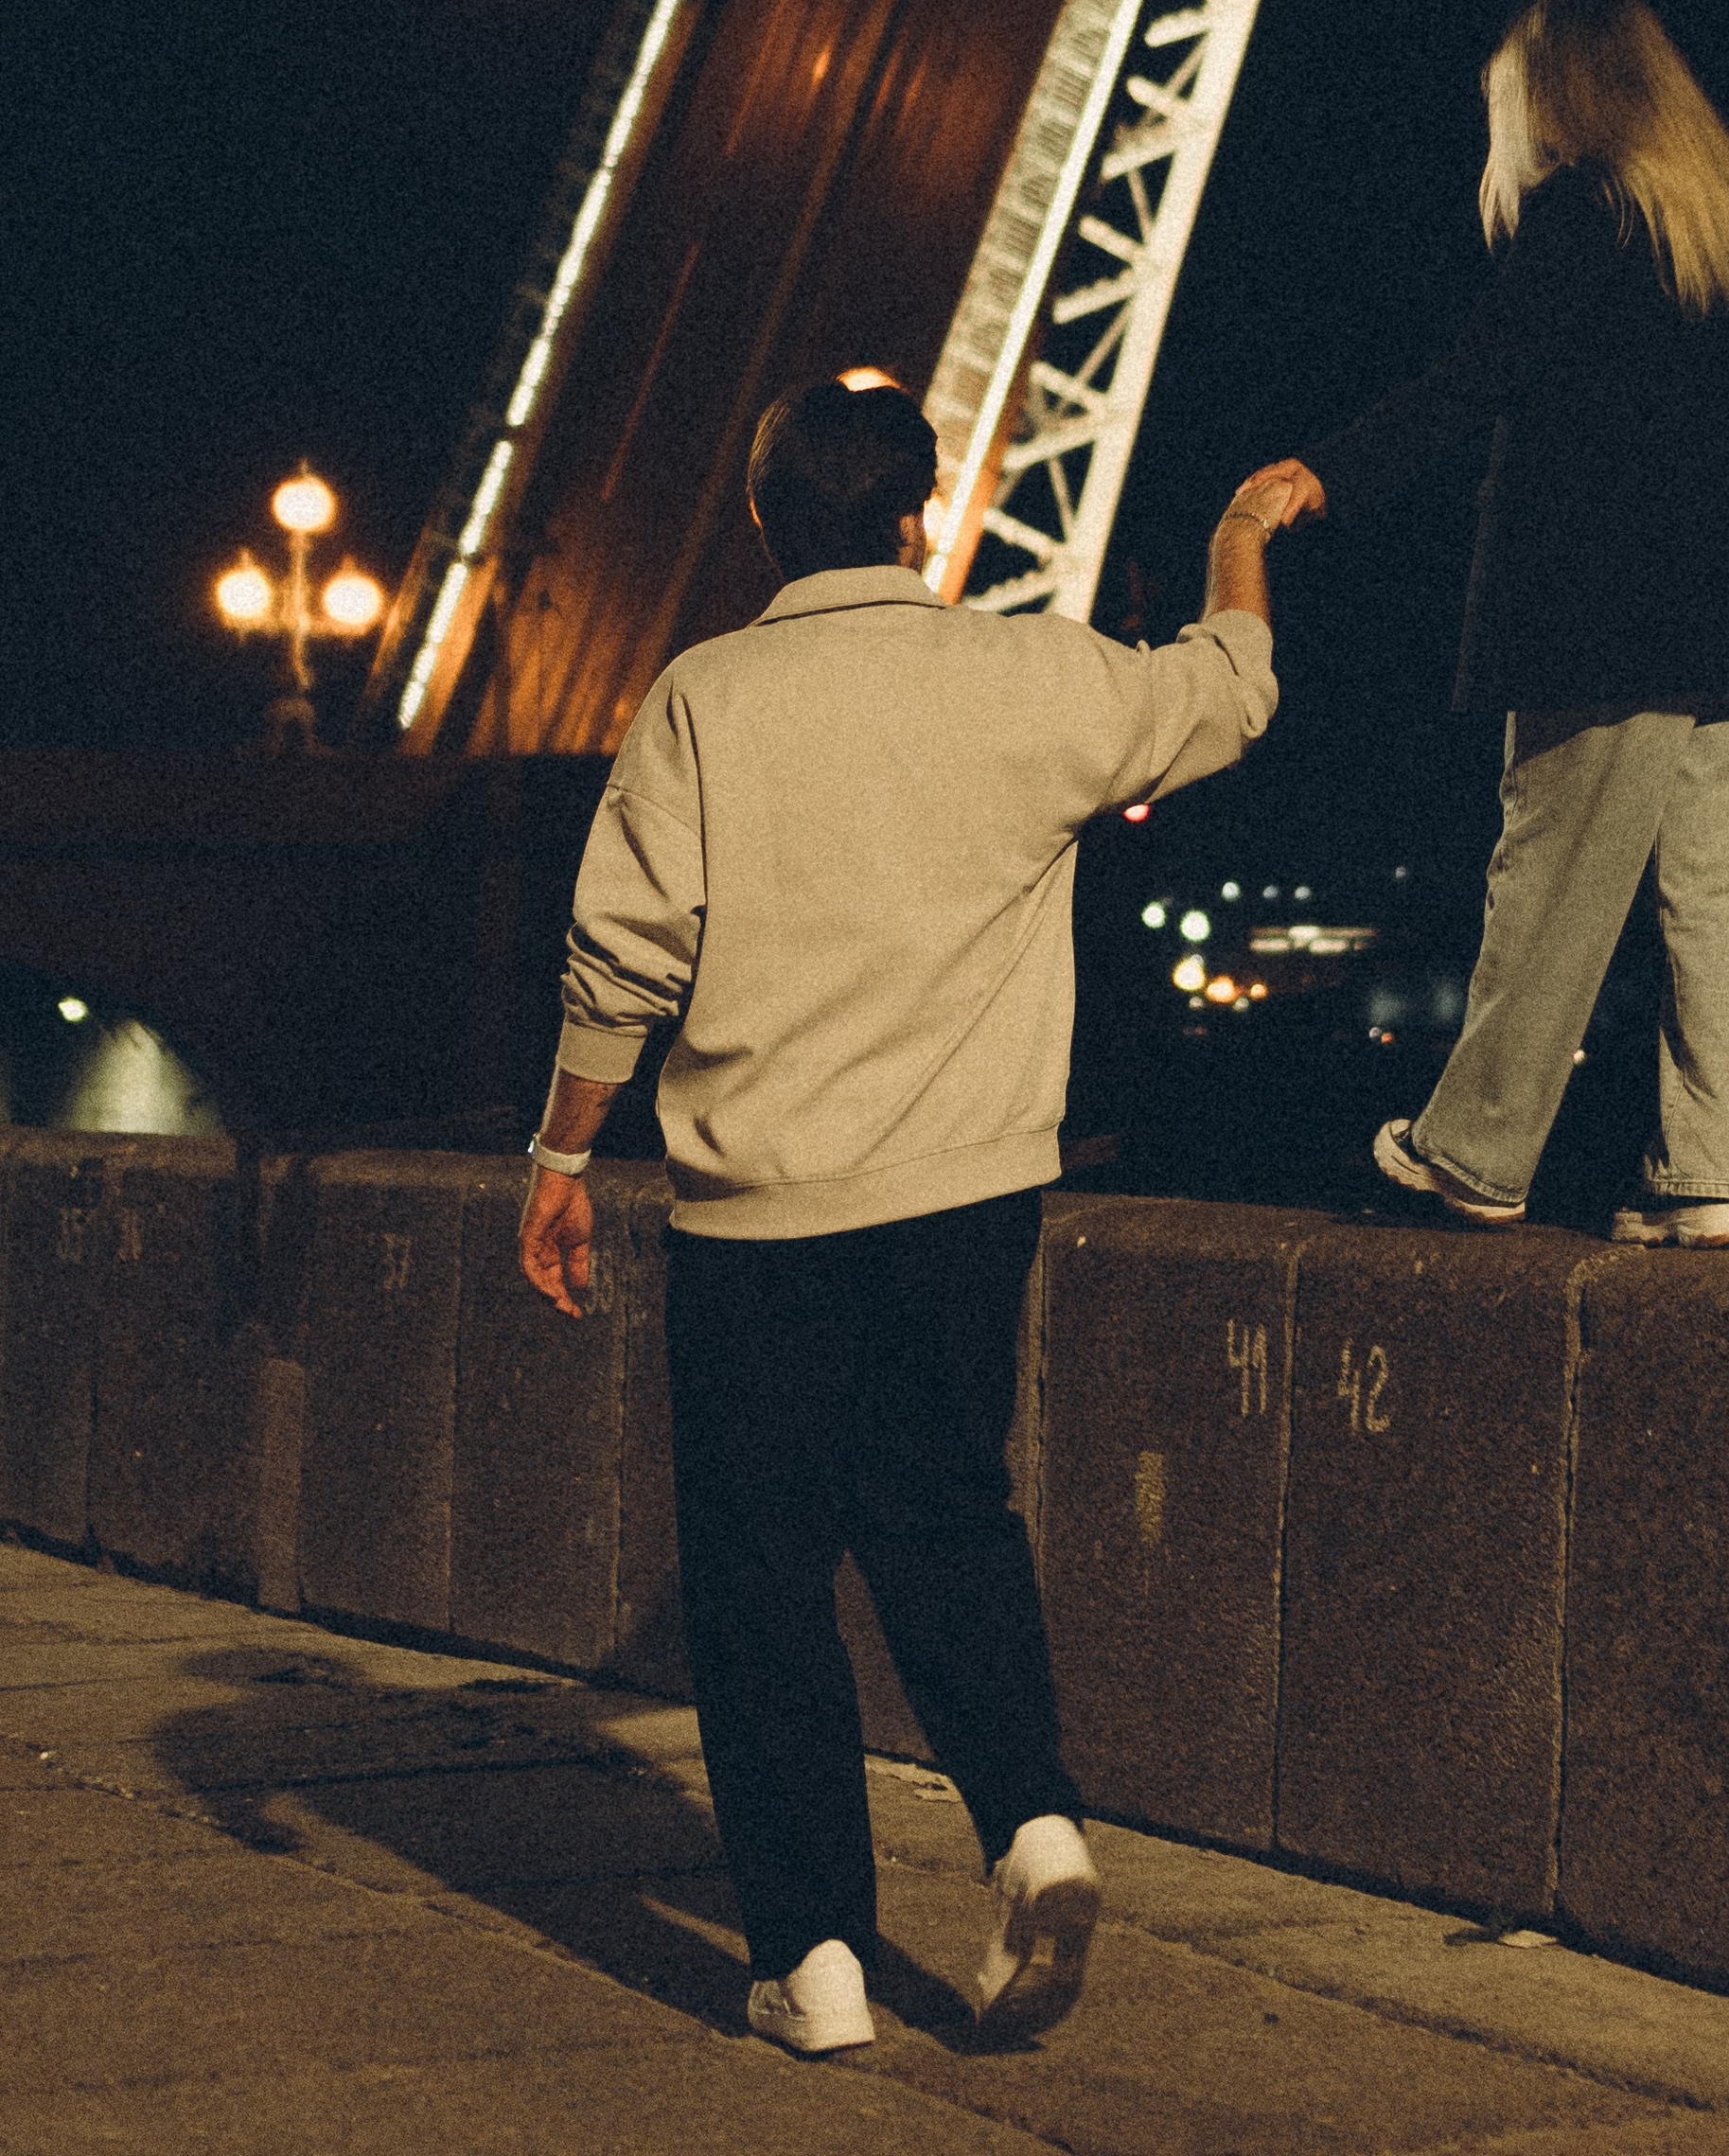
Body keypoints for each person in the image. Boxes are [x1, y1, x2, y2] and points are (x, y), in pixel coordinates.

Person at [517, 380, 1288, 2057]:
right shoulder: (1033, 676)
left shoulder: (704, 698)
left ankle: (815, 1961)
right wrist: (1236, 542)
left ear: (763, 522)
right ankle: (1033, 1827)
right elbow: (1230, 696)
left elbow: (623, 955)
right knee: (948, 1510)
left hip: (757, 1214)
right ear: (921, 516)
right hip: (967, 1198)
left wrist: (564, 1159)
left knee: (763, 1573)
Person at [1258, 0, 1729, 1246]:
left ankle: (1474, 1153)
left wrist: (1330, 472)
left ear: (1558, 95)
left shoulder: (1589, 214)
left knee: (1553, 895)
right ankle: (1715, 1180)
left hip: (1610, 628)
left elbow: (1475, 381)